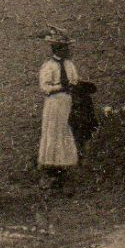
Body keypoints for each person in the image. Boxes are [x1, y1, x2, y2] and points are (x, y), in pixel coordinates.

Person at [37, 31, 83, 193]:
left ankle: (64, 169)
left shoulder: (69, 65)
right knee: (53, 132)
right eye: (64, 48)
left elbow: (75, 80)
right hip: (54, 103)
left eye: (67, 48)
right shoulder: (49, 66)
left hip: (67, 102)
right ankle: (50, 171)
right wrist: (61, 87)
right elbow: (45, 88)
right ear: (56, 49)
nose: (67, 51)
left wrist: (74, 87)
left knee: (65, 131)